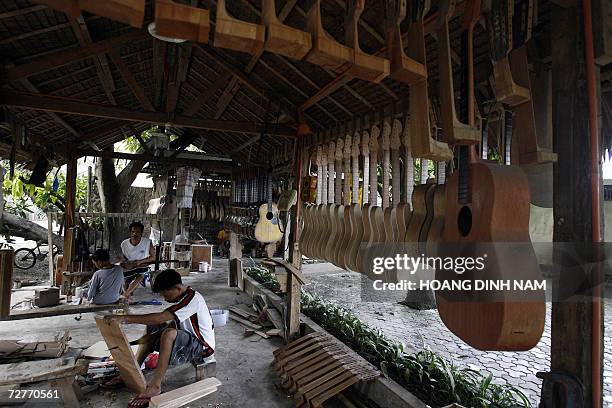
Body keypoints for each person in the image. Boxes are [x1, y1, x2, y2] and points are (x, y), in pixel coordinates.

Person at [103, 269, 215, 407]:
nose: (165, 299)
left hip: (202, 347)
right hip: (188, 340)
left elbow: (161, 317)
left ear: (178, 288)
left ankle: (155, 386)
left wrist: (125, 318)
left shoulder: (193, 299)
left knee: (168, 333)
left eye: (166, 295)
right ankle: (133, 371)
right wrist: (152, 336)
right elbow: (170, 321)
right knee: (154, 328)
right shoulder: (184, 296)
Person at [119, 221, 155, 300]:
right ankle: (127, 294)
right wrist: (125, 262)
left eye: (138, 232)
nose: (135, 234)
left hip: (142, 265)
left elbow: (153, 257)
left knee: (140, 276)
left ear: (141, 233)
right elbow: (123, 256)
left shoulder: (147, 242)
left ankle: (126, 294)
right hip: (129, 265)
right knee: (123, 277)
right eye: (133, 232)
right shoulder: (124, 243)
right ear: (130, 232)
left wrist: (140, 261)